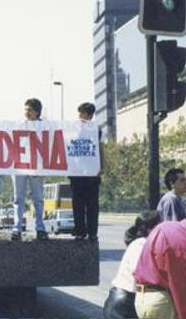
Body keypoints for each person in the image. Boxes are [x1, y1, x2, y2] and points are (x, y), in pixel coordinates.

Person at [102, 211, 161, 319]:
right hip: (123, 304)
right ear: (150, 229)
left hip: (127, 301)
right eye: (159, 226)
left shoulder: (145, 243)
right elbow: (137, 270)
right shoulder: (140, 244)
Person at [133, 216, 186, 319]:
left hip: (142, 298)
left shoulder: (164, 227)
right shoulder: (180, 240)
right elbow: (178, 285)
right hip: (162, 302)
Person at [11, 98, 47, 241]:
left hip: (37, 166)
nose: (26, 112)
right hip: (19, 166)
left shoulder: (45, 127)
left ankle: (40, 228)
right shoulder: (18, 125)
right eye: (25, 109)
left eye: (30, 110)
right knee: (18, 199)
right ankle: (16, 228)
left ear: (37, 112)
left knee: (38, 199)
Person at [69, 103, 104, 241]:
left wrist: (102, 166)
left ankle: (92, 232)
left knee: (92, 206)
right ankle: (79, 231)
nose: (79, 117)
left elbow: (101, 148)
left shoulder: (96, 130)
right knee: (77, 205)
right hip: (77, 173)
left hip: (91, 174)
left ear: (89, 115)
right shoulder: (73, 129)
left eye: (81, 114)